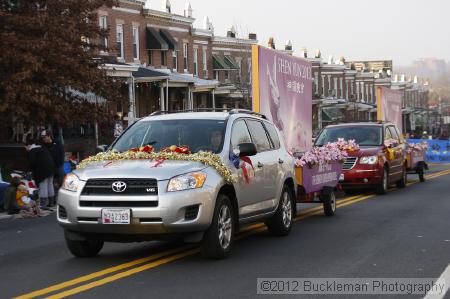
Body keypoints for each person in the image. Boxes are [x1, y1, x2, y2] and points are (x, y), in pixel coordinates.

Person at [25, 136, 55, 210]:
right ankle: (51, 202)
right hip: (51, 169)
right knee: (50, 184)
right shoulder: (42, 148)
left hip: (42, 170)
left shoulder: (33, 150)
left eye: (26, 147)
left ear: (29, 145)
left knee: (43, 186)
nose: (26, 149)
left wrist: (27, 171)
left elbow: (32, 162)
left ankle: (43, 204)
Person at [41, 130, 65, 199]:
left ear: (49, 136)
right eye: (42, 137)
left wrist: (60, 164)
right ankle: (52, 200)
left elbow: (62, 153)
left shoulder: (57, 143)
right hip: (49, 167)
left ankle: (62, 197)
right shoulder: (43, 145)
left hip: (58, 166)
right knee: (50, 184)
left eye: (44, 137)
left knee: (60, 182)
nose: (43, 139)